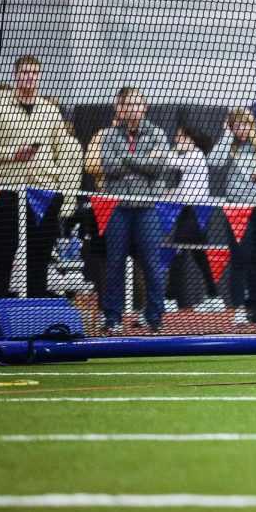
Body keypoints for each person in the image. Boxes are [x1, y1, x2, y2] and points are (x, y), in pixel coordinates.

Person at [0, 56, 77, 298]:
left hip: (44, 194)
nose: (30, 77)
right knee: (4, 252)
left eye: (35, 72)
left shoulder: (50, 110)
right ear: (16, 75)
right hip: (9, 192)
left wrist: (61, 192)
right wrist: (11, 153)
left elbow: (63, 151)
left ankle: (34, 312)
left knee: (40, 256)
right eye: (25, 72)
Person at [98, 87, 173, 332]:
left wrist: (127, 160)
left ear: (145, 107)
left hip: (147, 208)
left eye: (136, 104)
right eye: (127, 104)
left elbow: (157, 168)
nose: (132, 109)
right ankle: (112, 317)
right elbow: (108, 166)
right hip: (117, 207)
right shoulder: (109, 135)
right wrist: (142, 161)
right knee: (114, 263)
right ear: (119, 108)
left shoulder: (157, 134)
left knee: (152, 264)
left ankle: (154, 317)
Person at [208, 108, 256, 325]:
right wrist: (226, 136)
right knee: (240, 259)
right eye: (235, 126)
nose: (241, 130)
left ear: (252, 124)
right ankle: (240, 308)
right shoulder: (230, 146)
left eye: (244, 125)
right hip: (237, 211)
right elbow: (214, 161)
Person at [163, 125, 224, 313]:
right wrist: (172, 193)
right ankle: (214, 296)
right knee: (199, 255)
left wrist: (162, 151)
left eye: (180, 137)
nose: (177, 140)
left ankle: (170, 298)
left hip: (195, 213)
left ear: (190, 139)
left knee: (179, 252)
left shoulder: (195, 155)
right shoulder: (190, 156)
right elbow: (187, 186)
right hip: (188, 211)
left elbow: (172, 163)